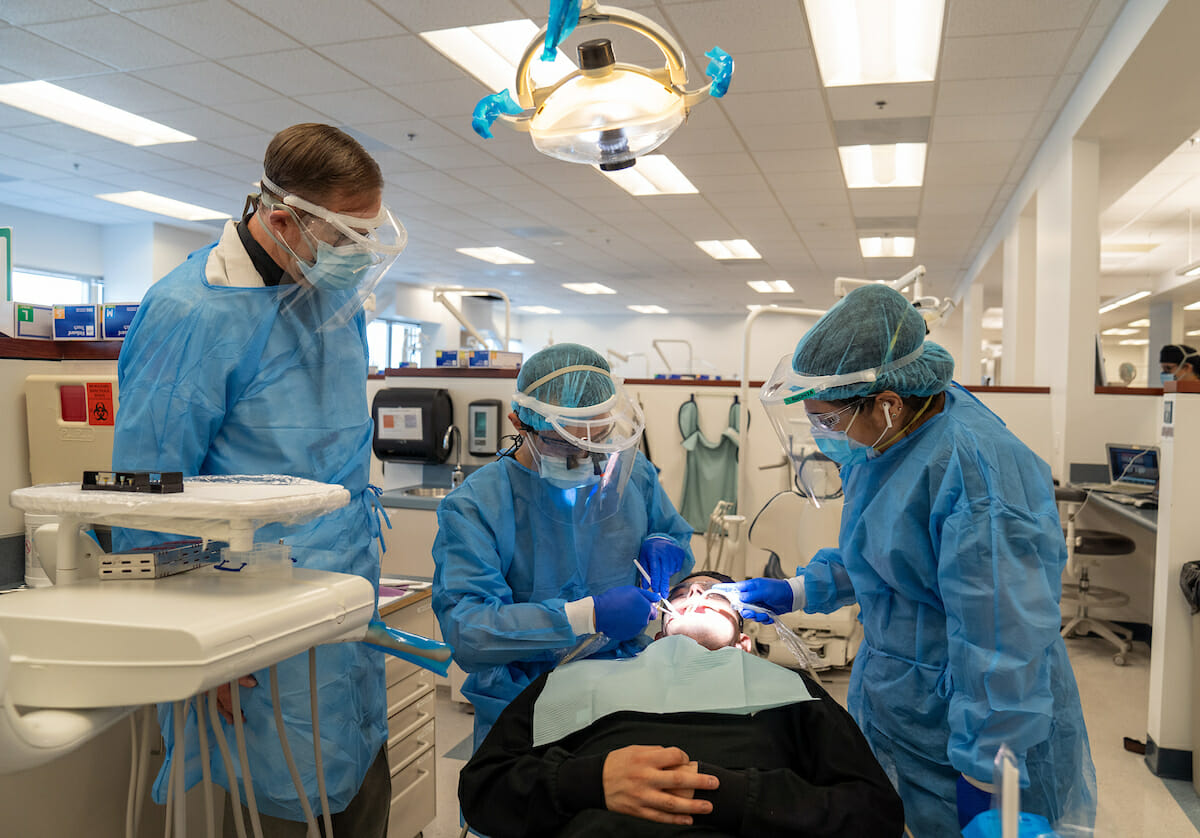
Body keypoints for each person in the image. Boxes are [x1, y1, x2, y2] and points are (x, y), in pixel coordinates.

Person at [112, 123, 407, 836]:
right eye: (346, 241)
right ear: (281, 218)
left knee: (363, 792)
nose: (357, 261)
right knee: (283, 805)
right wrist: (199, 647)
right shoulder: (190, 312)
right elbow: (145, 497)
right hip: (251, 623)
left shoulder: (330, 300)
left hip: (343, 598)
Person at [719, 284, 1096, 837]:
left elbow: (1002, 642)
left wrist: (989, 775)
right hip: (903, 697)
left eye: (826, 421)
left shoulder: (978, 475)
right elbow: (887, 553)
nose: (823, 436)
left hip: (977, 723)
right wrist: (796, 591)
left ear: (886, 403)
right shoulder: (889, 440)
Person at [459, 571, 905, 838]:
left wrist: (733, 796)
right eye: (684, 593)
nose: (696, 595)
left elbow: (873, 813)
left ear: (745, 643)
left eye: (718, 596)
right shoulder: (580, 680)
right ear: (656, 633)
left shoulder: (788, 692)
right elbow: (483, 789)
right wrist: (588, 781)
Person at [433, 343, 695, 751]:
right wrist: (583, 616)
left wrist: (665, 545)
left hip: (624, 698)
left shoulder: (630, 475)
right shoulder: (477, 505)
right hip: (523, 709)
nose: (586, 458)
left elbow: (674, 536)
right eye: (566, 444)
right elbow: (470, 629)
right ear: (519, 422)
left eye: (598, 439)